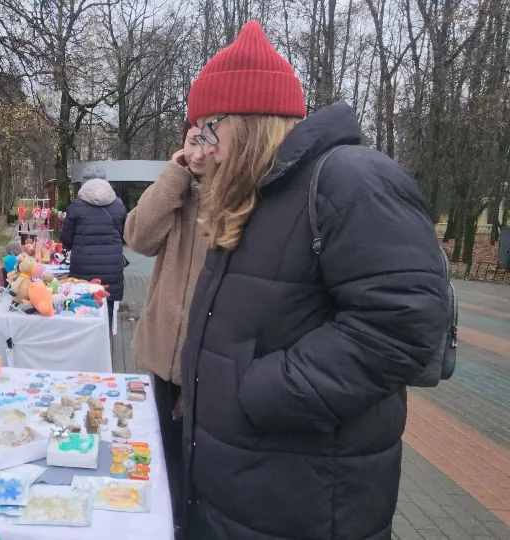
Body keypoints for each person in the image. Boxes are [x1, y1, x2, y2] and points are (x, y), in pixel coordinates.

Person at [178, 21, 449, 539]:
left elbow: (405, 325)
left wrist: (259, 391)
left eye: (205, 129)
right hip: (244, 490)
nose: (198, 150)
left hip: (304, 499)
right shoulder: (255, 197)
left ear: (246, 121)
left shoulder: (352, 180)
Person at [123, 121, 209, 528]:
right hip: (163, 355)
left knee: (203, 470)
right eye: (193, 139)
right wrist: (174, 174)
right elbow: (137, 237)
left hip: (209, 361)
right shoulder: (179, 190)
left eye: (209, 140)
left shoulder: (242, 195)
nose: (198, 151)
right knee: (167, 457)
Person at [59, 165, 127, 327]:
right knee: (108, 314)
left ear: (84, 183)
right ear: (105, 181)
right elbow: (124, 234)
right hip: (111, 268)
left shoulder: (76, 206)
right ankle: (107, 348)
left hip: (83, 269)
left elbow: (66, 238)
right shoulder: (118, 205)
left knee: (82, 312)